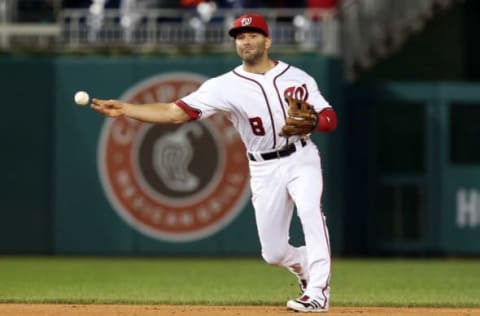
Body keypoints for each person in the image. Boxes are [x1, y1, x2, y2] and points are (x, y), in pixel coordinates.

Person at [90, 13, 337, 313]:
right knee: (273, 253)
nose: (245, 41)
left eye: (252, 35)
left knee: (311, 212)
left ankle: (318, 292)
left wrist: (315, 123)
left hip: (301, 156)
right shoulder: (224, 86)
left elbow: (329, 117)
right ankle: (306, 269)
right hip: (263, 167)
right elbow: (174, 112)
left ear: (268, 40)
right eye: (240, 37)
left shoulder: (298, 77)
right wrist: (127, 109)